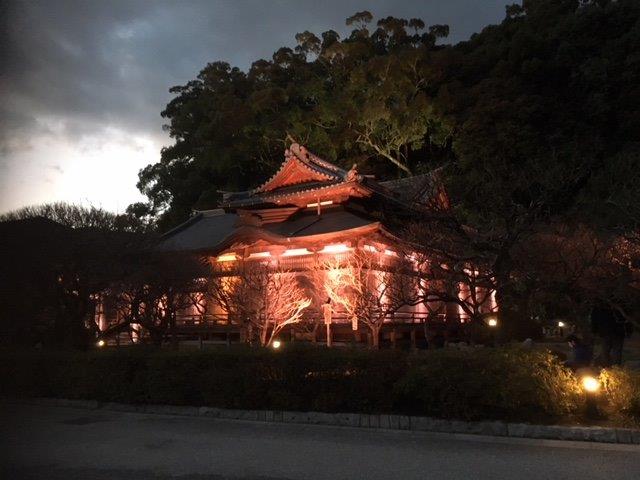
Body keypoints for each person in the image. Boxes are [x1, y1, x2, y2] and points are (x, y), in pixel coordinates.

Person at [590, 302, 632, 366]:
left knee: (607, 351)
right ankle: (614, 368)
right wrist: (629, 331)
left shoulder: (599, 306)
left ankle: (610, 368)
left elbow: (594, 320)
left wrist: (594, 331)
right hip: (615, 332)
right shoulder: (619, 305)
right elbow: (627, 318)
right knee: (614, 351)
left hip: (608, 332)